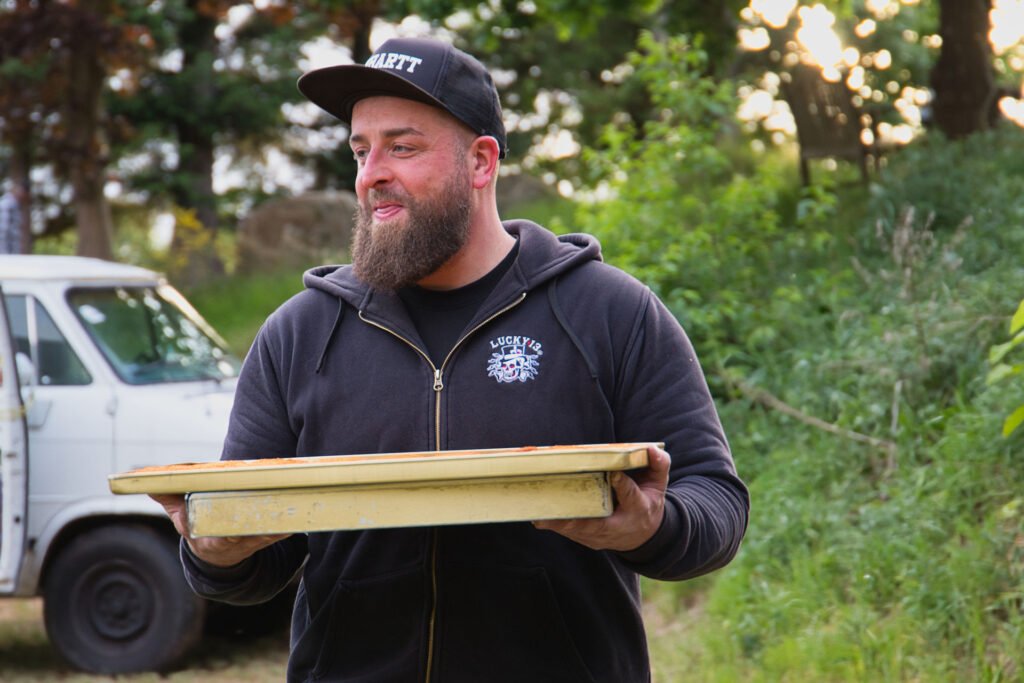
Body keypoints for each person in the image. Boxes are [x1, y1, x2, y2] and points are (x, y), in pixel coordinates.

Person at [154, 36, 749, 682]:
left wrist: (649, 528)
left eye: (401, 147)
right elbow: (252, 562)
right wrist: (214, 552)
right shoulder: (299, 334)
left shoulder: (608, 313)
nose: (370, 173)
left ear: (481, 162)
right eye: (361, 150)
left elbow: (717, 504)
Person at [0, 182, 25, 254]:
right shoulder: (7, 203)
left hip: (11, 241)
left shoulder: (14, 203)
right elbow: (5, 224)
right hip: (6, 241)